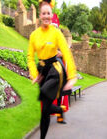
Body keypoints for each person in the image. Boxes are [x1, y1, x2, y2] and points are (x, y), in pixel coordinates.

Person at [27, 1, 77, 138]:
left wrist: (72, 75)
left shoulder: (56, 33)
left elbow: (66, 52)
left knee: (44, 110)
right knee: (45, 107)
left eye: (49, 13)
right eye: (44, 13)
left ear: (51, 15)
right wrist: (34, 74)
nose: (46, 16)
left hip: (55, 70)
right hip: (42, 71)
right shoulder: (34, 35)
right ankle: (59, 110)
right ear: (40, 15)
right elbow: (30, 57)